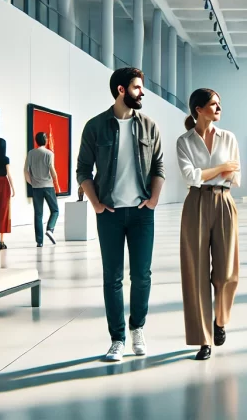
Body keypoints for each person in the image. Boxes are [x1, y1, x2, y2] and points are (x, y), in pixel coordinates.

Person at [77, 67, 165, 363]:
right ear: (121, 90)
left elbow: (159, 167)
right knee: (112, 278)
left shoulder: (149, 126)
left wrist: (153, 200)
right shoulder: (95, 127)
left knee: (142, 276)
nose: (143, 92)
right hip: (110, 214)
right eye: (138, 87)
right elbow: (82, 170)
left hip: (142, 214)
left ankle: (137, 327)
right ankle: (117, 339)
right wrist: (96, 204)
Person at [176, 88, 241, 361]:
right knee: (196, 274)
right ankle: (204, 340)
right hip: (196, 204)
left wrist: (213, 172)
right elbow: (190, 177)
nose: (218, 108)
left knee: (227, 273)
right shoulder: (185, 141)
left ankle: (220, 320)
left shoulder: (229, 137)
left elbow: (234, 175)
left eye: (219, 103)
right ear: (198, 109)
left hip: (224, 202)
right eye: (213, 104)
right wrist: (219, 168)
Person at [25, 132, 60, 247]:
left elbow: (26, 171)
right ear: (45, 140)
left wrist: (32, 182)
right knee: (55, 210)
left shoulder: (30, 153)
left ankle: (39, 242)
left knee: (38, 214)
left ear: (36, 141)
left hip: (36, 188)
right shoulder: (49, 153)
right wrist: (56, 181)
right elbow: (52, 170)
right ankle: (50, 228)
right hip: (48, 186)